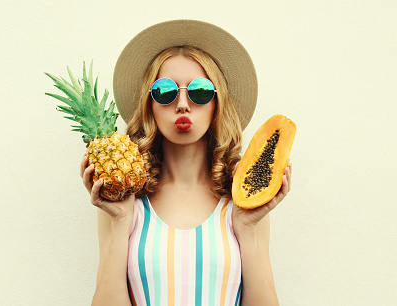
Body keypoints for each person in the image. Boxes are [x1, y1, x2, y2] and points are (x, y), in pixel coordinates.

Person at [80, 20, 292, 306]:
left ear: (217, 103)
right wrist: (120, 222)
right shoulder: (124, 202)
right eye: (165, 91)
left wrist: (248, 228)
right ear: (149, 105)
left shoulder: (242, 201)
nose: (182, 103)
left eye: (200, 91)